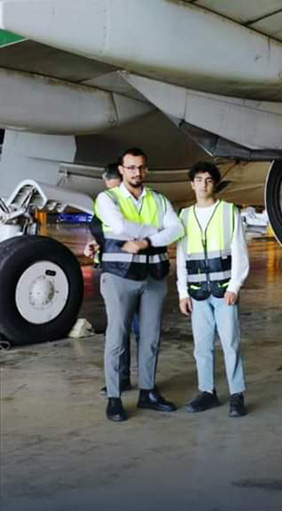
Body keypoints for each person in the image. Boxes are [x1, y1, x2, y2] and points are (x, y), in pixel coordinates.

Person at [95, 147, 183, 422]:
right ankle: (114, 397)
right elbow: (120, 226)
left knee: (151, 337)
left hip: (153, 276)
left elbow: (177, 229)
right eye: (131, 167)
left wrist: (146, 241)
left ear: (146, 169)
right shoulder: (107, 198)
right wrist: (159, 232)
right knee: (117, 337)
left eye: (141, 167)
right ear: (121, 170)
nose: (137, 172)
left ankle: (148, 392)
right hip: (119, 276)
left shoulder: (158, 199)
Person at [176, 162, 250, 418]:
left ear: (215, 184)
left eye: (208, 180)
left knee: (230, 344)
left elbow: (240, 251)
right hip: (198, 292)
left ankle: (237, 394)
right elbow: (182, 256)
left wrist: (235, 286)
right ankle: (207, 392)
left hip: (224, 291)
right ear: (192, 184)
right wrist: (182, 293)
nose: (203, 184)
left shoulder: (229, 212)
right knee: (202, 346)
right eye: (199, 180)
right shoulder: (185, 216)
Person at [89, 163, 136, 398]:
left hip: (138, 274)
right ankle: (120, 380)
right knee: (118, 333)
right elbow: (106, 238)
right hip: (114, 274)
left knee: (143, 334)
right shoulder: (104, 204)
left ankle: (147, 386)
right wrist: (96, 247)